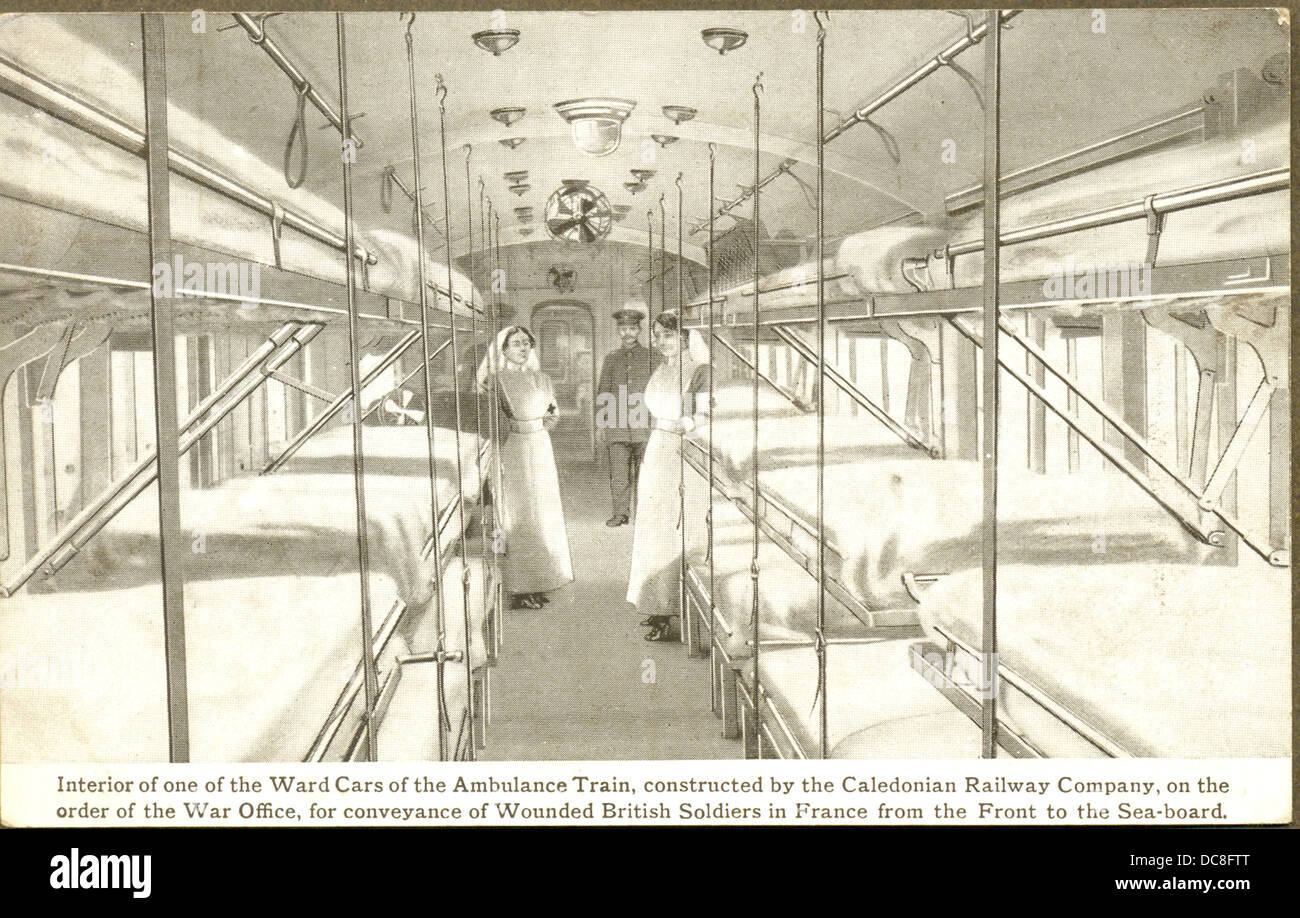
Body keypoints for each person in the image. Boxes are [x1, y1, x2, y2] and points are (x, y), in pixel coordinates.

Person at [626, 311, 710, 641]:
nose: (660, 342)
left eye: (668, 336)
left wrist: (686, 424)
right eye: (657, 336)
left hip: (684, 451)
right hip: (659, 448)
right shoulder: (662, 369)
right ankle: (656, 604)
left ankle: (679, 606)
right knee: (654, 526)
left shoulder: (701, 371)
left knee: (678, 528)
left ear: (687, 338)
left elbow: (706, 413)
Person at [477, 325, 574, 610]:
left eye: (526, 344)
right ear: (504, 349)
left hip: (540, 446)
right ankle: (521, 588)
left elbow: (553, 412)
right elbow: (490, 417)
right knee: (518, 514)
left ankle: (540, 580)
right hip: (512, 448)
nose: (522, 349)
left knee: (543, 512)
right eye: (516, 344)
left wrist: (542, 425)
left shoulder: (542, 379)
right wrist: (514, 431)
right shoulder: (495, 380)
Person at [595, 304, 660, 527]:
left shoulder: (652, 357)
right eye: (622, 329)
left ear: (639, 330)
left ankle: (643, 513)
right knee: (619, 474)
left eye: (632, 328)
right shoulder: (611, 358)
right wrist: (601, 424)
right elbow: (603, 392)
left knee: (646, 472)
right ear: (618, 331)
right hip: (617, 426)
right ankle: (621, 513)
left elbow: (658, 390)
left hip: (644, 424)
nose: (627, 333)